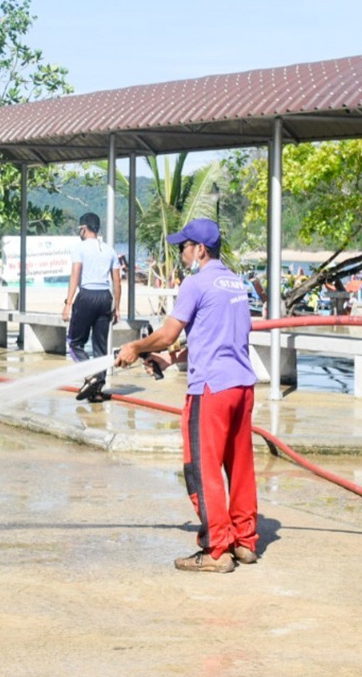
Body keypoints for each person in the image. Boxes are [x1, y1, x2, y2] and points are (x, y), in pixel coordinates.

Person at [115, 218, 258, 573]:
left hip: (210, 390)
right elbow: (215, 336)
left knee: (202, 468)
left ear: (201, 250)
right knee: (239, 467)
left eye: (184, 246)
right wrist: (170, 358)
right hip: (241, 387)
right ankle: (245, 541)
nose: (181, 252)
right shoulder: (235, 283)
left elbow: (167, 333)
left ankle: (216, 551)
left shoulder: (196, 283)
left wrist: (135, 346)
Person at [64, 211, 122, 402]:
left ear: (84, 228)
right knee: (100, 347)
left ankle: (91, 376)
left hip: (87, 296)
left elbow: (75, 275)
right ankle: (97, 390)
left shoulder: (79, 248)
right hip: (105, 297)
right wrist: (117, 307)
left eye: (80, 229)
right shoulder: (109, 250)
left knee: (74, 342)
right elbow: (117, 282)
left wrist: (68, 303)